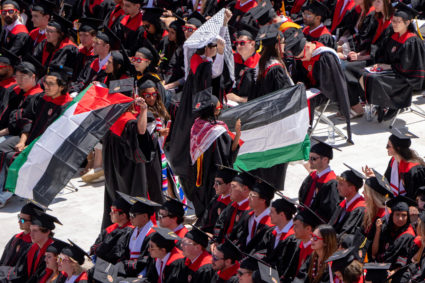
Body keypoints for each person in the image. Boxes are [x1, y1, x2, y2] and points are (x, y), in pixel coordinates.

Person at [0, 65, 73, 206]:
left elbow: (56, 135)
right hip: (29, 138)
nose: (46, 86)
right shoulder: (41, 98)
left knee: (11, 157)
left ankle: (5, 195)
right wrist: (23, 142)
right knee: (2, 148)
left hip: (46, 146)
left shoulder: (66, 107)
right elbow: (28, 120)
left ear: (62, 87)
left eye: (51, 84)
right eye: (45, 82)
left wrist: (29, 146)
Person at [284, 27, 352, 142]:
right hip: (311, 90)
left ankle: (305, 132)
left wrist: (310, 88)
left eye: (301, 57)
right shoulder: (301, 56)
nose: (301, 60)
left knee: (306, 100)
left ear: (307, 46)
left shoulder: (325, 56)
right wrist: (301, 84)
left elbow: (331, 84)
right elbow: (299, 75)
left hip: (326, 91)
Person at [100, 85, 154, 228]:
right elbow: (141, 131)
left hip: (111, 166)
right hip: (129, 167)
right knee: (132, 195)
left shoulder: (109, 118)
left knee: (114, 195)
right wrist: (144, 109)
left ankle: (115, 225)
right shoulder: (127, 120)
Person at [361, 3, 425, 122]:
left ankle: (393, 104)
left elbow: (408, 67)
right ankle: (381, 104)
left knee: (375, 79)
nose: (393, 24)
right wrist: (380, 64)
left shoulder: (412, 40)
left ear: (407, 23)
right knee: (366, 74)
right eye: (393, 21)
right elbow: (384, 54)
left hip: (405, 77)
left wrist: (389, 66)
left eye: (398, 21)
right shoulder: (393, 35)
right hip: (393, 71)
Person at [189, 88, 241, 218]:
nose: (220, 109)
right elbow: (227, 157)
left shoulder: (197, 125)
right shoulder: (216, 131)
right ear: (213, 110)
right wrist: (238, 133)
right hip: (213, 175)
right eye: (218, 107)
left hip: (198, 173)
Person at [343, 0, 394, 117]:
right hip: (370, 56)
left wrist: (361, 56)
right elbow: (370, 43)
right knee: (342, 64)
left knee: (345, 68)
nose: (374, 5)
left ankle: (357, 105)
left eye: (378, 1)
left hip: (381, 61)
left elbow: (382, 51)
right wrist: (358, 53)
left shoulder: (392, 23)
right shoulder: (377, 18)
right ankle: (358, 101)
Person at [113, 193, 161, 277]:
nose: (130, 218)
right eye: (130, 215)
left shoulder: (153, 235)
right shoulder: (133, 231)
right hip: (130, 268)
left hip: (142, 273)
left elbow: (146, 260)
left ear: (145, 217)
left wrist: (122, 266)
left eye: (133, 215)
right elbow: (125, 251)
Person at [5, 211, 61, 282]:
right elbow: (21, 272)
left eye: (35, 230)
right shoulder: (32, 248)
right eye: (31, 230)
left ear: (47, 232)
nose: (31, 234)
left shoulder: (52, 254)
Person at [298, 139, 341, 222]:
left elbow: (329, 212)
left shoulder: (332, 183)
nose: (309, 161)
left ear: (325, 160)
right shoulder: (312, 176)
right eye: (309, 158)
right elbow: (302, 197)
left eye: (313, 159)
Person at [230, 176, 274, 253]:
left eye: (252, 196)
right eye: (249, 195)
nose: (248, 198)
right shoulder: (248, 215)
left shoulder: (270, 224)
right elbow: (239, 236)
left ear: (263, 200)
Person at [371, 195, 416, 270]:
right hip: (380, 267)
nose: (400, 219)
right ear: (392, 215)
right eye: (397, 214)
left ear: (408, 217)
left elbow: (404, 263)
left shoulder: (408, 235)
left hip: (397, 273)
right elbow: (374, 254)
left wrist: (392, 272)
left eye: (404, 215)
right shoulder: (386, 228)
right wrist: (378, 231)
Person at [70, 26, 118, 95]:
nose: (93, 45)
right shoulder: (92, 61)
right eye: (94, 43)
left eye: (97, 44)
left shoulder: (113, 66)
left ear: (107, 47)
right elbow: (81, 80)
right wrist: (74, 91)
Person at [257, 197, 298, 277]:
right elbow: (261, 250)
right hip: (266, 271)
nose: (269, 214)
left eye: (272, 212)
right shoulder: (271, 232)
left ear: (282, 215)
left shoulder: (293, 238)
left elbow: (286, 265)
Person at [213, 170, 255, 244]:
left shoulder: (251, 212)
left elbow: (242, 239)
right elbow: (220, 224)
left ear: (245, 189)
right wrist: (215, 241)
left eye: (233, 187)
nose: (230, 190)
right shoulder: (232, 205)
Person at [283, 208, 324, 282]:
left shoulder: (315, 252)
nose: (293, 229)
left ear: (308, 229)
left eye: (296, 226)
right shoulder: (295, 244)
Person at [359, 169, 392, 260]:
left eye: (365, 191)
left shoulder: (385, 216)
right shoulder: (371, 212)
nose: (362, 193)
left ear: (372, 196)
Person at [382, 131, 425, 199]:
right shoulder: (393, 161)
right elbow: (387, 180)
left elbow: (417, 196)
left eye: (388, 146)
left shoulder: (414, 170)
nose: (386, 148)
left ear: (398, 148)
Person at [89, 197, 133, 264]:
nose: (110, 214)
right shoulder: (111, 228)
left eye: (113, 211)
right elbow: (96, 245)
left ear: (123, 215)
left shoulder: (130, 231)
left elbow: (116, 254)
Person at [196, 165, 235, 233]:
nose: (214, 186)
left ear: (229, 185)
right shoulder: (215, 198)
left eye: (218, 183)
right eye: (214, 182)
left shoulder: (232, 204)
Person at [226, 24, 259, 103]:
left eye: (242, 43)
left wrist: (239, 99)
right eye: (236, 43)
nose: (238, 46)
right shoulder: (232, 60)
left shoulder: (259, 64)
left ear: (252, 44)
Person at [329, 165, 366, 236]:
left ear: (352, 188)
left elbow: (346, 234)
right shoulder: (344, 203)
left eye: (341, 184)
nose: (337, 187)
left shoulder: (359, 208)